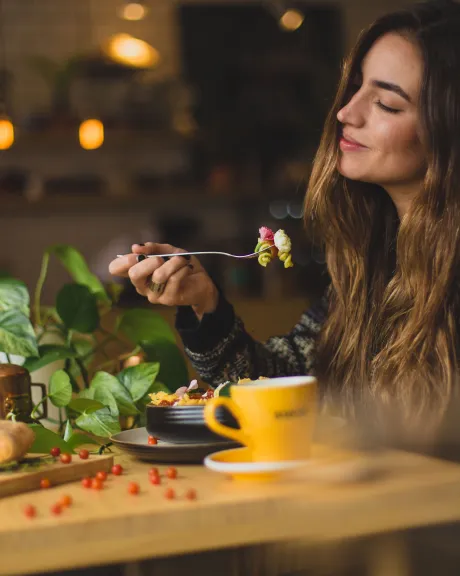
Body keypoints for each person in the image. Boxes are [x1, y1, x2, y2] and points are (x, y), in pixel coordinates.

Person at [109, 0, 460, 427]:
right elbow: (284, 383)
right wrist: (204, 303)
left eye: (386, 103)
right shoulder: (372, 258)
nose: (346, 113)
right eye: (356, 87)